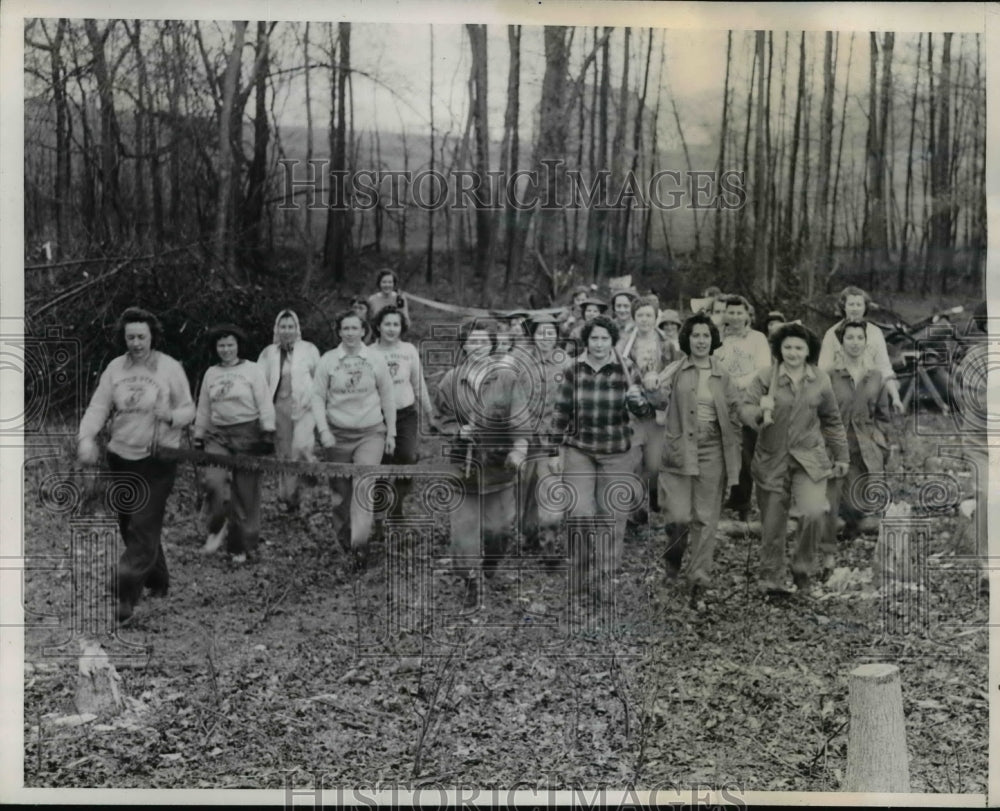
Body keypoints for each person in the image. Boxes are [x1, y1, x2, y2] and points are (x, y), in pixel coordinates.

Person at [77, 307, 195, 621]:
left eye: (142, 336)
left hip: (158, 458)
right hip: (121, 456)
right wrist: (86, 439)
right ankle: (157, 579)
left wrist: (170, 416)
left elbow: (188, 410)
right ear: (124, 338)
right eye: (130, 337)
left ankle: (126, 592)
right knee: (130, 523)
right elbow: (98, 408)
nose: (136, 343)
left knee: (144, 523)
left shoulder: (169, 368)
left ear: (152, 336)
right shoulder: (115, 369)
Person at [741, 322, 849, 594]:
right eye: (787, 347)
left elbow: (832, 421)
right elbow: (743, 409)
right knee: (773, 524)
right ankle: (771, 580)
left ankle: (802, 569)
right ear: (779, 349)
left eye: (798, 347)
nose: (793, 352)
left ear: (808, 350)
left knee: (814, 512)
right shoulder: (765, 378)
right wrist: (758, 411)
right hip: (772, 460)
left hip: (809, 460)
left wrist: (841, 455)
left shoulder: (820, 380)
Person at [551, 316, 652, 602]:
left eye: (604, 339)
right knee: (579, 513)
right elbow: (561, 410)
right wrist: (553, 450)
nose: (598, 344)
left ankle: (606, 576)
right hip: (579, 448)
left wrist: (637, 400)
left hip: (617, 451)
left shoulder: (626, 367)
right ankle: (579, 575)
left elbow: (644, 413)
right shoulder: (574, 368)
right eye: (594, 338)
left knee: (612, 517)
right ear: (587, 340)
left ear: (612, 341)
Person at [435, 318, 530, 608]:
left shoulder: (507, 378)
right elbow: (441, 419)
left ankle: (490, 564)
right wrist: (456, 431)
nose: (476, 347)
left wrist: (519, 450)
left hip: (499, 465)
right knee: (464, 529)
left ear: (492, 345)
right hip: (462, 466)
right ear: (463, 346)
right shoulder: (451, 381)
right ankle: (471, 579)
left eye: (482, 342)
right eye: (471, 342)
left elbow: (520, 420)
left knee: (498, 529)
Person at [648, 313, 742, 604]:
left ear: (712, 339)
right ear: (686, 339)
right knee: (677, 517)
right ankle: (672, 564)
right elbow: (655, 399)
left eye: (705, 335)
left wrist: (757, 414)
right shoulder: (676, 369)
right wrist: (651, 385)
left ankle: (698, 581)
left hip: (712, 449)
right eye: (695, 335)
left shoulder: (722, 375)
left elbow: (736, 410)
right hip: (678, 449)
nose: (700, 341)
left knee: (705, 518)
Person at [312, 310, 397, 568]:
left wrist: (391, 431)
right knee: (340, 495)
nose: (350, 333)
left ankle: (360, 547)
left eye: (354, 328)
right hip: (337, 434)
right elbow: (317, 397)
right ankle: (345, 542)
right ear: (339, 332)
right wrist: (324, 430)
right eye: (345, 329)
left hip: (370, 433)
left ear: (363, 331)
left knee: (364, 488)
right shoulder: (328, 360)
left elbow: (387, 395)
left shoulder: (375, 359)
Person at [193, 324, 276, 564]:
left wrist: (268, 431)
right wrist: (199, 435)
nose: (226, 349)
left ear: (238, 346)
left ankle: (241, 545)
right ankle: (216, 527)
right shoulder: (211, 373)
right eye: (221, 345)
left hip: (248, 434)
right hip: (218, 435)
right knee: (214, 483)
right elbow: (204, 407)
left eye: (230, 344)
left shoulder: (252, 370)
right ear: (215, 348)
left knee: (245, 494)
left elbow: (264, 401)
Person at [821, 320, 894, 574]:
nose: (854, 342)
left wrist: (880, 442)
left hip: (863, 446)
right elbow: (817, 412)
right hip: (833, 445)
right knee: (829, 502)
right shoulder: (829, 375)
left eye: (859, 338)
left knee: (855, 504)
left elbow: (883, 416)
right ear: (841, 344)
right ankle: (828, 555)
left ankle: (851, 529)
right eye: (849, 338)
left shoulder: (875, 377)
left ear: (866, 342)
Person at [370, 305, 436, 526]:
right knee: (379, 463)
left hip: (406, 414)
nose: (391, 329)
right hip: (376, 416)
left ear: (402, 327)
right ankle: (378, 513)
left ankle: (396, 507)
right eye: (387, 324)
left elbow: (419, 384)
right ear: (378, 326)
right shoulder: (369, 352)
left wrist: (430, 413)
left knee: (406, 459)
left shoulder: (408, 350)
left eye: (396, 324)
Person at [619, 294, 683, 523]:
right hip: (633, 413)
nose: (644, 319)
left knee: (654, 464)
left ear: (656, 318)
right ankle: (635, 510)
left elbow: (677, 372)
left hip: (659, 413)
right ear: (634, 317)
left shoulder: (667, 344)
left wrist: (661, 392)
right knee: (632, 461)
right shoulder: (624, 344)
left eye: (649, 315)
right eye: (640, 315)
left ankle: (653, 500)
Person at [519, 312, 571, 562]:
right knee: (525, 490)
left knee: (550, 490)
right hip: (524, 438)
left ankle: (548, 542)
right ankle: (528, 535)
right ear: (533, 335)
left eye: (551, 333)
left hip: (553, 440)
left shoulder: (567, 363)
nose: (546, 338)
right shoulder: (521, 362)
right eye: (541, 333)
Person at [715, 295, 772, 519]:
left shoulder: (757, 339)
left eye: (740, 313)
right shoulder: (718, 337)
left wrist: (741, 382)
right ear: (725, 314)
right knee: (717, 448)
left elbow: (763, 368)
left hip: (749, 398)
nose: (736, 317)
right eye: (731, 312)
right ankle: (716, 498)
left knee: (745, 451)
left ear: (748, 315)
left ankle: (742, 502)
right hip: (720, 398)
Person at [258, 309, 320, 512]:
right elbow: (259, 382)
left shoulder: (309, 349)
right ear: (277, 328)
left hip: (305, 407)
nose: (287, 330)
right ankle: (289, 497)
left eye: (290, 326)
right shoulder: (269, 352)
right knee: (285, 455)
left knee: (301, 447)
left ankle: (311, 469)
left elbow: (319, 377)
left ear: (297, 328)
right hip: (279, 408)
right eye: (283, 326)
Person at [817, 286, 904, 414]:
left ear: (865, 307)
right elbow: (823, 369)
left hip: (869, 390)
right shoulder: (831, 334)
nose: (855, 309)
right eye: (851, 304)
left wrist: (896, 398)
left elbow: (884, 368)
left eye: (859, 304)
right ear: (843, 306)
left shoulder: (875, 333)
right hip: (842, 390)